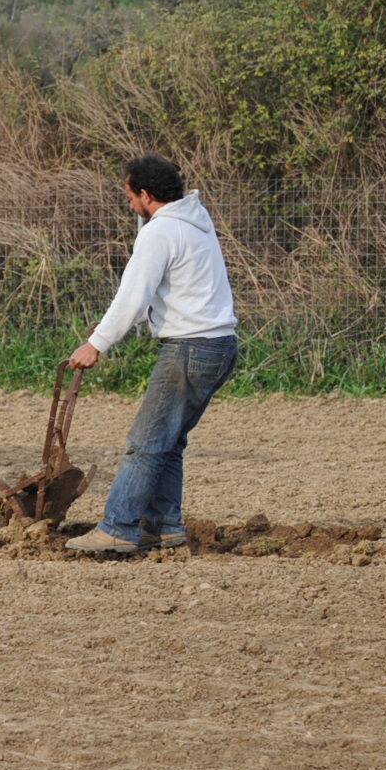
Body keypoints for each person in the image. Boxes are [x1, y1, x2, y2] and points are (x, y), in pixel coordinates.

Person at [63, 153, 239, 555]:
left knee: (144, 444)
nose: (129, 206)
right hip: (220, 345)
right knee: (169, 442)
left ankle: (118, 527)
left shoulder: (160, 232)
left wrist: (96, 344)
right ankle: (164, 527)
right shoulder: (196, 221)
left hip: (190, 348)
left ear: (145, 194)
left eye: (129, 196)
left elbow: (133, 296)